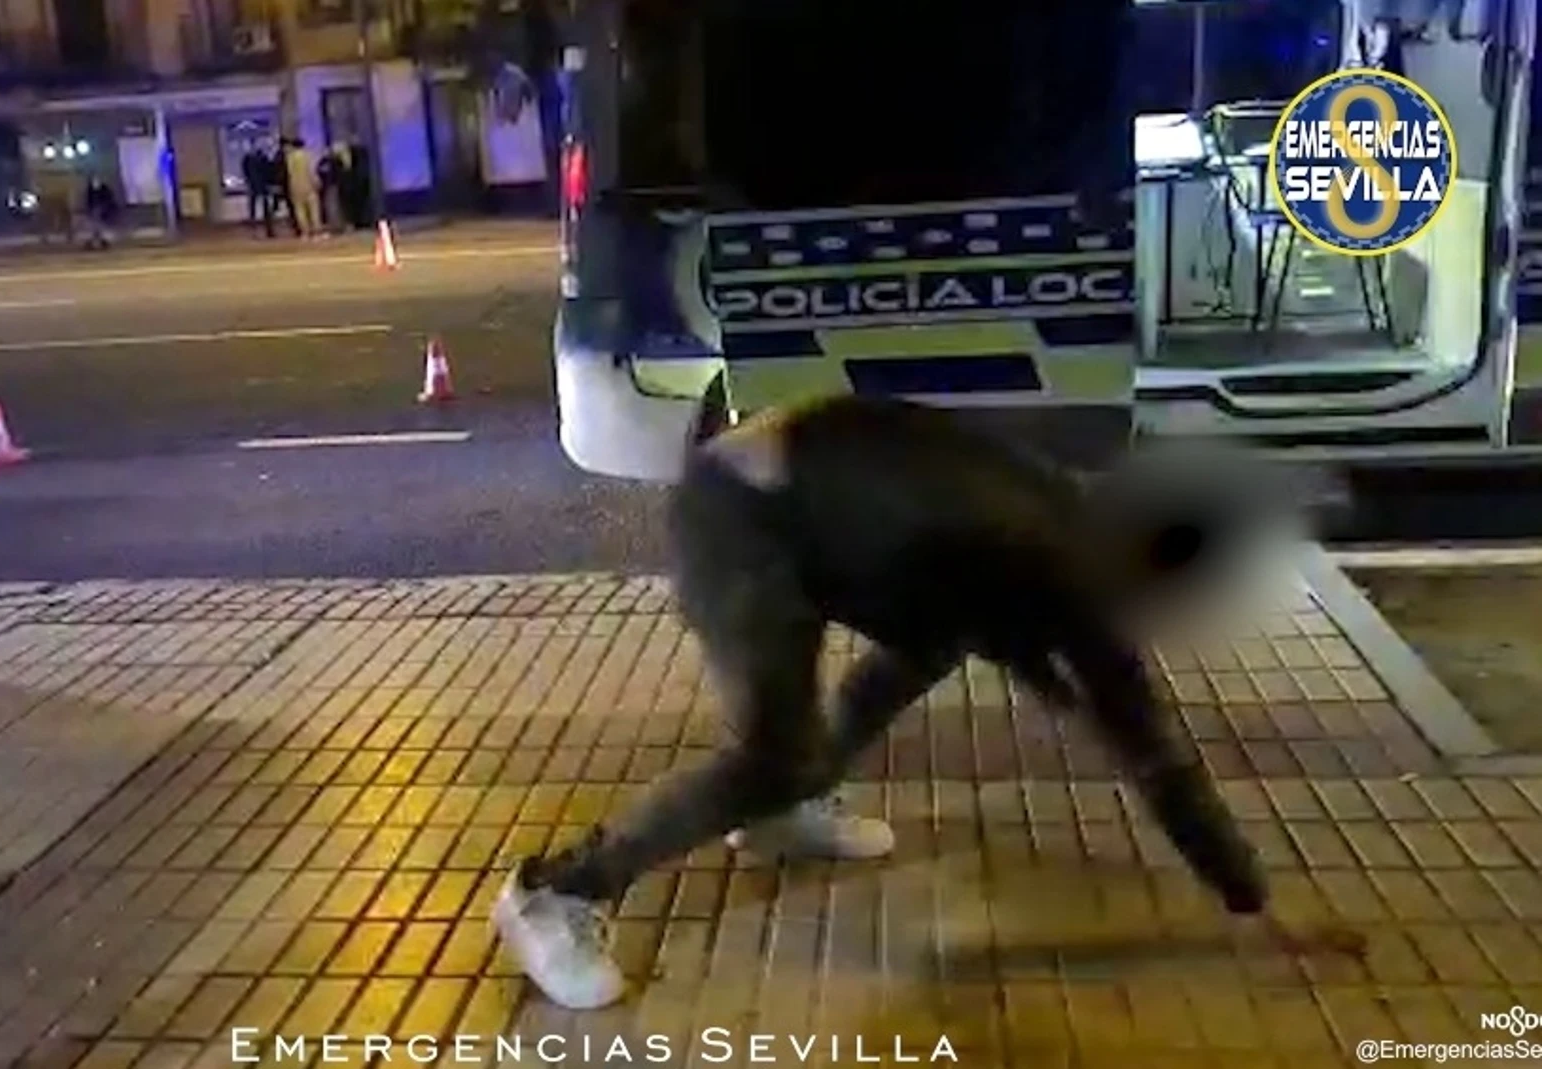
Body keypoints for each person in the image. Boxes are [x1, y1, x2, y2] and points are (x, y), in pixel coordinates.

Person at [491, 393, 1364, 1011]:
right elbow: (1148, 745)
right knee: (775, 751)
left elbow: (1041, 657)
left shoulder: (1060, 519)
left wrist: (1247, 894)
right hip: (744, 520)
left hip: (819, 496)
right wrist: (1256, 900)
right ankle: (557, 892)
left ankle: (791, 802)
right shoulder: (1046, 562)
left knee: (935, 639)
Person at [283, 138, 325, 240]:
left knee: (299, 210)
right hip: (308, 185)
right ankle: (317, 233)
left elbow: (290, 173)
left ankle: (305, 233)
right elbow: (311, 171)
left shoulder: (289, 158)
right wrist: (317, 182)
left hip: (295, 185)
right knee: (313, 209)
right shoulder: (307, 156)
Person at [241, 146, 274, 236]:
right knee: (265, 207)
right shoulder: (264, 159)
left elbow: (246, 172)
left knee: (253, 207)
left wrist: (248, 180)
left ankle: (253, 225)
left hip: (252, 185)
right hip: (263, 185)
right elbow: (269, 171)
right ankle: (269, 228)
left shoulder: (247, 159)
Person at [342, 141, 375, 229]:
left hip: (355, 186)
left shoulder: (352, 159)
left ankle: (361, 222)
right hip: (360, 185)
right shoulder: (362, 157)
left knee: (358, 205)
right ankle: (363, 222)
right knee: (361, 204)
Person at [82, 175, 119, 250]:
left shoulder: (104, 189)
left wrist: (103, 209)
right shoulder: (91, 189)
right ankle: (98, 241)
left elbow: (108, 200)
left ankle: (100, 241)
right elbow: (89, 201)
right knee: (96, 226)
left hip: (103, 210)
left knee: (99, 226)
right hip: (96, 210)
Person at [318, 144, 348, 233]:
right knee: (334, 206)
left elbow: (321, 171)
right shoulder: (336, 161)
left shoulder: (329, 162)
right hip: (334, 186)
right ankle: (337, 226)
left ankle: (337, 226)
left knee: (333, 206)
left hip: (332, 186)